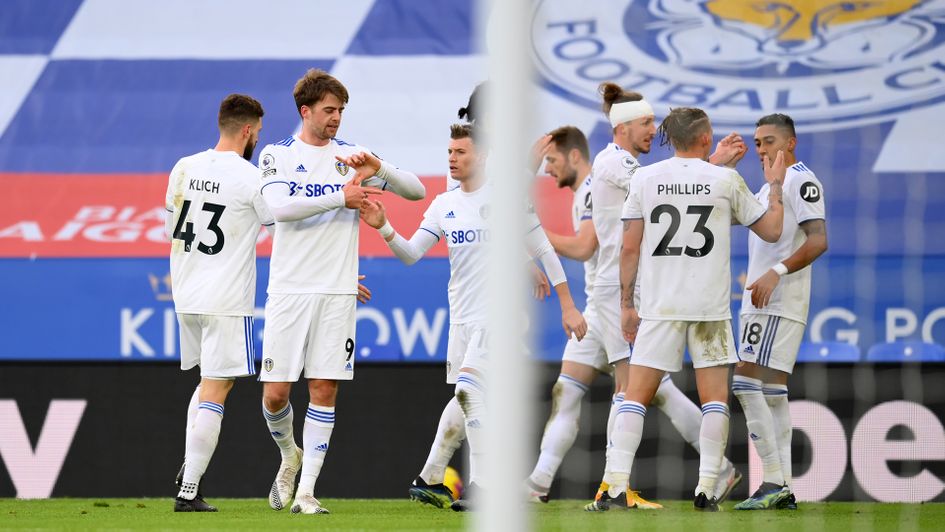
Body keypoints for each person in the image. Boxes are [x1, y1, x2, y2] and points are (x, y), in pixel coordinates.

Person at [360, 123, 587, 512]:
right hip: (463, 321)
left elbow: (545, 252)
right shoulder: (443, 205)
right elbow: (412, 254)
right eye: (449, 152)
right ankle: (431, 478)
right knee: (462, 403)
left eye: (461, 152)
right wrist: (384, 227)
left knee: (468, 392)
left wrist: (568, 304)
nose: (452, 158)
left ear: (481, 157)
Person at [257, 68, 426, 515]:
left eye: (341, 111)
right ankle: (290, 457)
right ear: (305, 111)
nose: (336, 118)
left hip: (336, 291)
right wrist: (341, 197)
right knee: (275, 394)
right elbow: (278, 208)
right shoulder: (278, 154)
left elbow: (417, 191)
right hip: (289, 289)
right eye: (329, 110)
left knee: (324, 388)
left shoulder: (352, 157)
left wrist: (379, 170)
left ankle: (308, 492)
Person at [616, 107, 785, 512]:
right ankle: (707, 488)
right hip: (709, 307)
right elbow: (773, 230)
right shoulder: (726, 179)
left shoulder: (645, 178)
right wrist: (775, 186)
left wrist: (626, 304)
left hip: (659, 305)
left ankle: (617, 484)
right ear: (706, 138)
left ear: (670, 139)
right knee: (715, 400)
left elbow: (629, 247)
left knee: (635, 397)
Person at [585, 83, 744, 511]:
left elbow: (670, 188)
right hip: (623, 289)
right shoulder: (617, 162)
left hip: (639, 288)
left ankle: (614, 484)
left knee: (635, 390)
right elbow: (672, 188)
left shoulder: (633, 167)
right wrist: (714, 167)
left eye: (655, 123)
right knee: (630, 391)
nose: (651, 130)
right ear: (622, 127)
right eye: (644, 123)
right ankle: (614, 485)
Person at [165, 94, 273, 512]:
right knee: (219, 385)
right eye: (258, 133)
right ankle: (189, 489)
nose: (258, 140)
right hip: (226, 297)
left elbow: (168, 226)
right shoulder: (250, 178)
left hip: (186, 294)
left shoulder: (184, 166)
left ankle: (189, 466)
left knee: (207, 380)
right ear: (247, 131)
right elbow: (279, 223)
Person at [732, 114, 827, 511]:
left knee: (743, 383)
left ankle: (772, 479)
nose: (761, 150)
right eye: (757, 143)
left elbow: (819, 240)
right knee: (772, 392)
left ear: (791, 143)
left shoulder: (800, 179)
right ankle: (782, 486)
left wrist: (776, 271)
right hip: (762, 298)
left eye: (768, 141)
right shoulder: (771, 183)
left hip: (778, 300)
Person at [522, 125, 603, 502]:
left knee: (653, 393)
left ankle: (717, 472)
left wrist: (533, 233)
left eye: (552, 161)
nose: (548, 169)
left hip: (620, 307)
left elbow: (585, 246)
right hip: (600, 306)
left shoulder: (593, 188)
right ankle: (537, 484)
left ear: (574, 156)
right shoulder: (584, 192)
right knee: (566, 390)